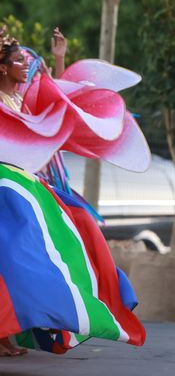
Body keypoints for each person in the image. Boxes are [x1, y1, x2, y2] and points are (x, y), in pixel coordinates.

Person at [0, 27, 148, 356]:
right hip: (7, 190)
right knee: (16, 257)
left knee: (79, 223)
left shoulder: (19, 98)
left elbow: (55, 95)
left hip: (23, 186)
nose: (26, 65)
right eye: (19, 61)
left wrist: (59, 56)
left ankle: (87, 297)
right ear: (2, 67)